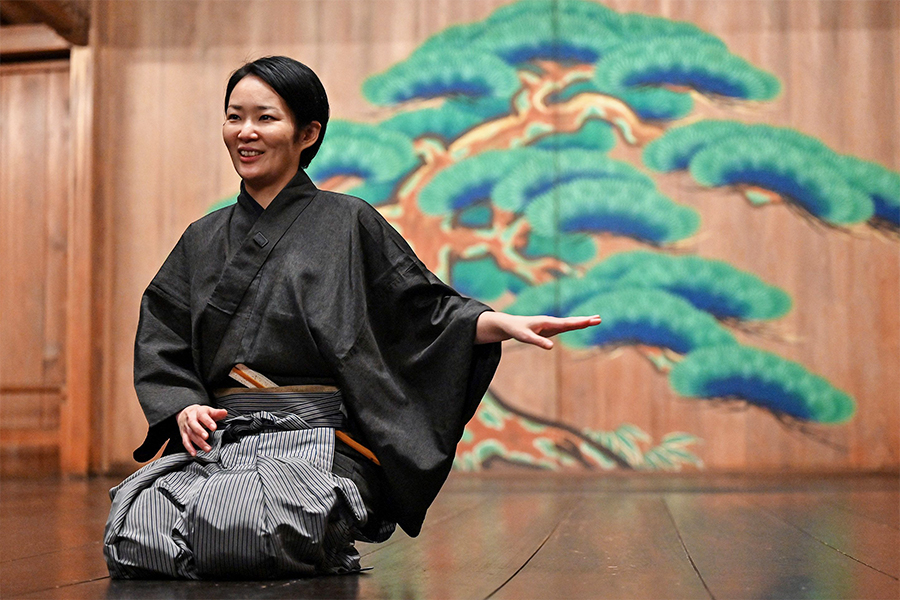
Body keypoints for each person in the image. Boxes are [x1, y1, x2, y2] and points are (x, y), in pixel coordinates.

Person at [103, 56, 601, 579]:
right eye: (234, 116)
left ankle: (321, 529)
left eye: (265, 118)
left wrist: (497, 324)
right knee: (135, 531)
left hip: (317, 444)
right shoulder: (202, 238)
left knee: (247, 526)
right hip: (223, 442)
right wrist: (183, 405)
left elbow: (420, 312)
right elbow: (164, 335)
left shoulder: (349, 221)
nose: (245, 132)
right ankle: (297, 537)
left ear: (307, 132)